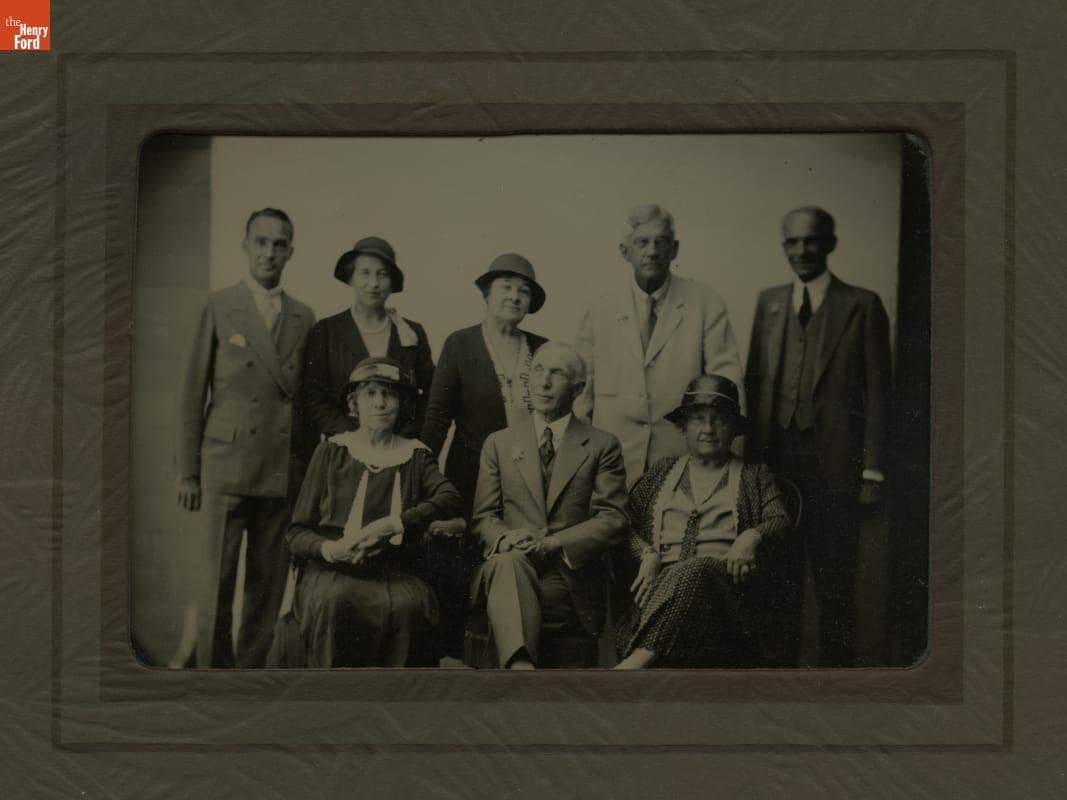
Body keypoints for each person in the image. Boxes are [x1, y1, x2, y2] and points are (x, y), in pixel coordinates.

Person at [745, 206, 891, 667]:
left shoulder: (861, 305)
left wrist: (872, 468)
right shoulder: (768, 303)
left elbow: (879, 393)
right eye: (791, 241)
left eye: (810, 240)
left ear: (829, 243)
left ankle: (836, 688)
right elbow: (755, 383)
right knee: (775, 582)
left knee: (834, 583)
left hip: (837, 466)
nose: (801, 250)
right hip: (776, 466)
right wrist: (751, 471)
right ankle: (778, 684)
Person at [176, 208, 316, 667]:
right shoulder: (219, 305)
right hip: (225, 469)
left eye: (279, 244)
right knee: (215, 584)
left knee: (266, 588)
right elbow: (191, 391)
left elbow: (306, 400)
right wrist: (188, 472)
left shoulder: (303, 316)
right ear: (245, 246)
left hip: (279, 473)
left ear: (291, 252)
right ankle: (211, 681)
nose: (269, 252)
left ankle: (250, 680)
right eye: (261, 242)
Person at [285, 357, 462, 667]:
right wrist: (331, 549)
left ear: (402, 402)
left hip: (395, 571)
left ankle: (396, 709)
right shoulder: (332, 451)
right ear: (354, 403)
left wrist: (394, 524)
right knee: (334, 603)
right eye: (370, 394)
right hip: (332, 570)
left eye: (389, 394)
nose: (380, 403)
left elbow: (449, 497)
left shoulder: (415, 454)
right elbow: (297, 533)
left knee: (411, 607)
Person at [614, 374, 792, 669]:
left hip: (726, 601)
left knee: (697, 569)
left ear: (734, 429)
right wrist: (646, 554)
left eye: (719, 420)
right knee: (683, 574)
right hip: (659, 594)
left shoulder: (754, 475)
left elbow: (779, 519)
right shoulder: (662, 472)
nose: (708, 429)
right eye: (698, 419)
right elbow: (624, 524)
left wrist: (752, 535)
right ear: (683, 428)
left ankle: (632, 667)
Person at [471, 342, 628, 669]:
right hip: (511, 563)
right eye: (538, 371)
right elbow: (485, 517)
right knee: (508, 562)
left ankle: (515, 671)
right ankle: (522, 667)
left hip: (567, 572)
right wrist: (507, 538)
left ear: (579, 389)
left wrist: (553, 543)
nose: (543, 382)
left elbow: (612, 519)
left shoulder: (602, 445)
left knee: (515, 587)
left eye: (556, 374)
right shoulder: (499, 443)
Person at [574, 204, 744, 487]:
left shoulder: (706, 303)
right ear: (624, 251)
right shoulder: (600, 307)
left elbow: (727, 383)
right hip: (613, 460)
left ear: (674, 250)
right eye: (642, 242)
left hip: (683, 458)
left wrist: (731, 460)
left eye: (660, 242)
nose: (651, 251)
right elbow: (582, 389)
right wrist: (578, 460)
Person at [421, 253, 549, 518]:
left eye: (523, 291)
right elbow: (438, 415)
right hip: (471, 475)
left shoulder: (542, 348)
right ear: (487, 294)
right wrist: (422, 473)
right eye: (506, 287)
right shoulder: (460, 344)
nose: (514, 296)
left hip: (532, 476)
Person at [301, 236, 434, 443]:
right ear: (351, 277)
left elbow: (430, 396)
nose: (373, 283)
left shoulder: (412, 333)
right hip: (344, 448)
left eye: (382, 275)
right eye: (365, 273)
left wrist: (402, 438)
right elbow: (314, 397)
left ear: (392, 283)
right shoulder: (326, 331)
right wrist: (353, 438)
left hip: (398, 447)